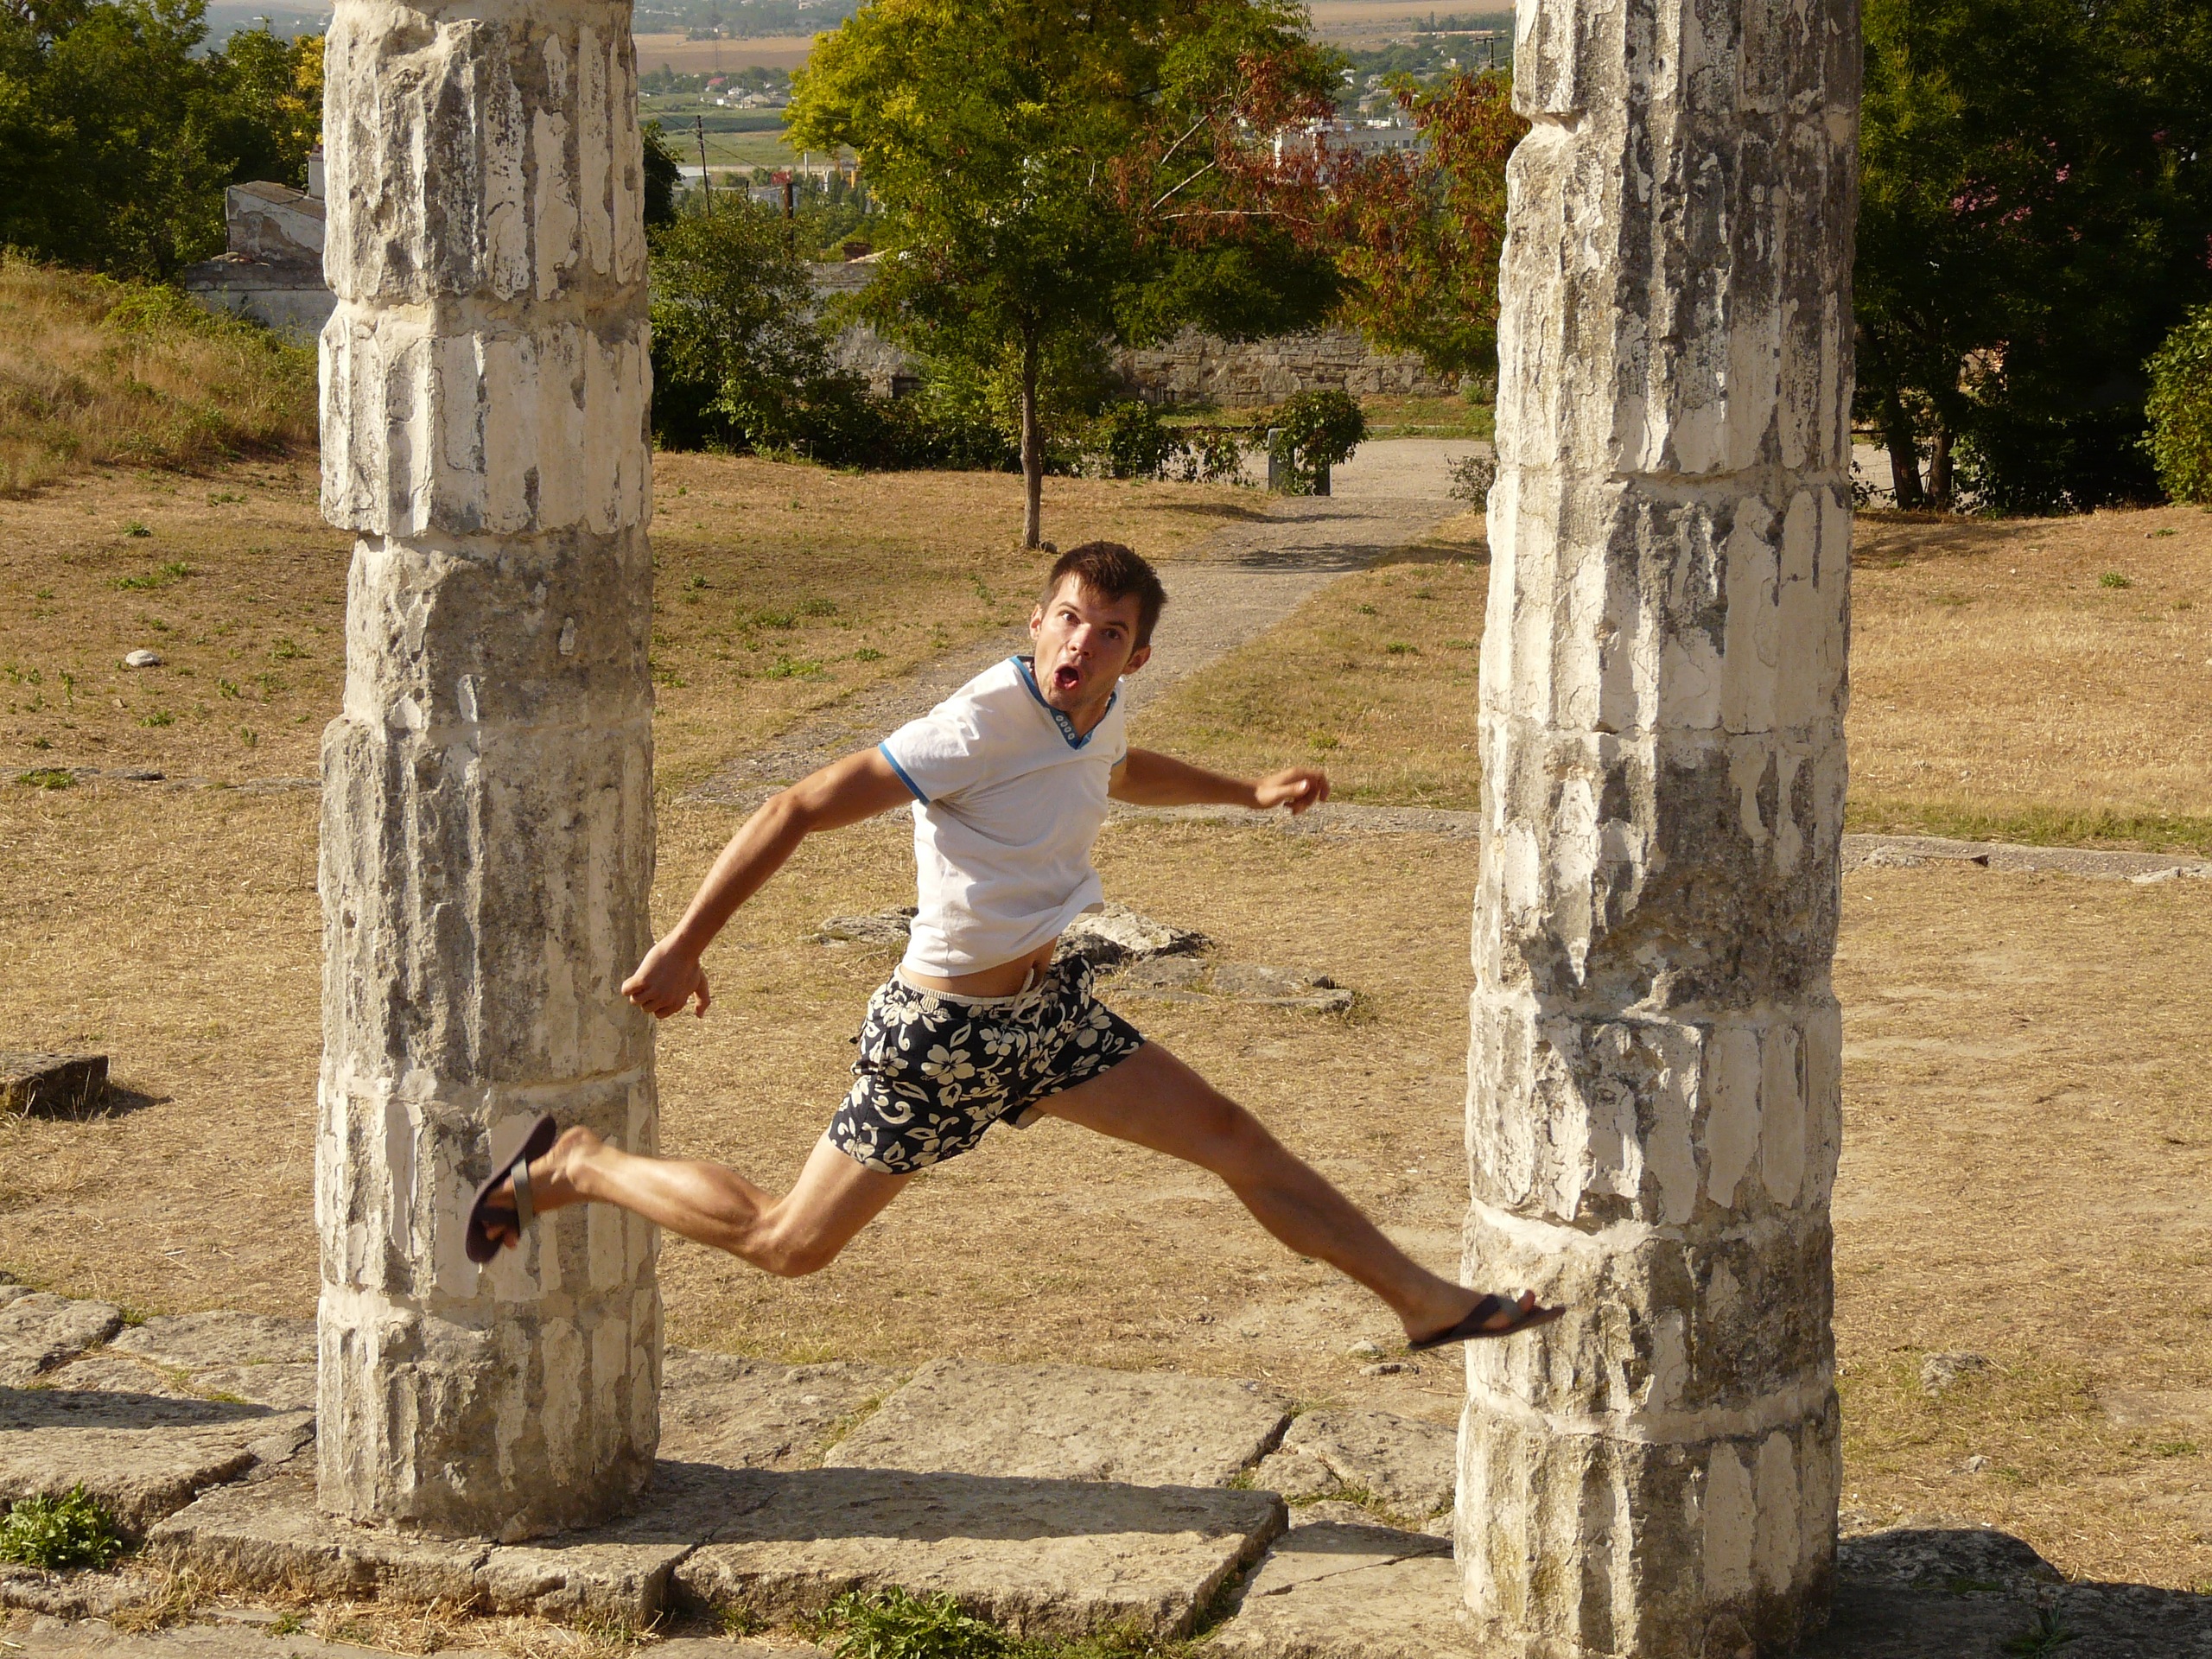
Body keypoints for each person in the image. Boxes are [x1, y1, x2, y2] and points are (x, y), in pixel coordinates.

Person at [467, 542, 1561, 1351]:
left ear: (1137, 654)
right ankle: (579, 1164)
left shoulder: (1096, 709)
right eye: (1069, 620)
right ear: (1037, 620)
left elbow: (1118, 769)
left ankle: (1424, 1303)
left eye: (1109, 632)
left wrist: (1246, 791)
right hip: (941, 1036)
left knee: (1234, 1138)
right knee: (788, 1243)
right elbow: (795, 805)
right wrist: (685, 944)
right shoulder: (977, 724)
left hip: (1046, 1017)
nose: (1083, 643)